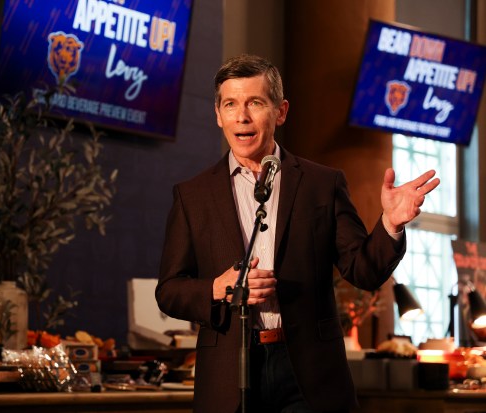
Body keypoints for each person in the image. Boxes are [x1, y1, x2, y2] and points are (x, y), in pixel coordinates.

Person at [155, 54, 440, 413]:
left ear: (281, 111)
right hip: (229, 373)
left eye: (255, 103)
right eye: (230, 105)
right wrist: (215, 289)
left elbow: (363, 271)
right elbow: (169, 291)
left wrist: (391, 225)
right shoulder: (192, 196)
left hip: (308, 374)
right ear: (218, 115)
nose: (241, 117)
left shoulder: (322, 184)